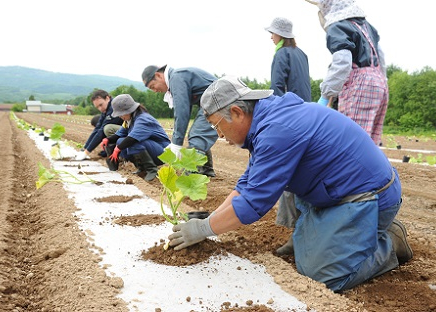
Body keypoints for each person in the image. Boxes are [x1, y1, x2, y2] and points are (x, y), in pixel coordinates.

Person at [168, 76, 413, 293]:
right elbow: (246, 185)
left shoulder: (277, 130)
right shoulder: (267, 120)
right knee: (304, 250)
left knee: (323, 275)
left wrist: (202, 229)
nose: (218, 135)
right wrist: (210, 218)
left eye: (216, 125)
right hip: (337, 192)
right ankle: (320, 239)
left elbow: (254, 203)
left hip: (370, 197)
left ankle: (390, 242)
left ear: (236, 112)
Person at [305, 0, 388, 145]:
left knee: (352, 142)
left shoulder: (339, 26)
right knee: (370, 143)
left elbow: (342, 62)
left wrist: (325, 95)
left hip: (360, 85)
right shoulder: (366, 26)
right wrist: (382, 81)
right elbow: (381, 56)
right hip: (379, 82)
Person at [265, 16, 312, 256]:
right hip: (308, 115)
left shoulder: (281, 54)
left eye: (272, 33)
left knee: (289, 176)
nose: (270, 36)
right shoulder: (301, 54)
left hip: (291, 119)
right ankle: (308, 231)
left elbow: (276, 90)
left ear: (280, 35)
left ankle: (297, 235)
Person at [141, 65, 219, 177]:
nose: (155, 91)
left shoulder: (176, 78)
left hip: (218, 100)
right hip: (214, 101)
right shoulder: (178, 77)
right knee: (196, 133)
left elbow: (182, 111)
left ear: (158, 75)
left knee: (197, 135)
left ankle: (189, 175)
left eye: (153, 86)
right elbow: (185, 108)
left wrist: (176, 143)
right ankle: (206, 170)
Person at [101, 94, 170, 181]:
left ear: (128, 110)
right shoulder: (129, 120)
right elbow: (120, 134)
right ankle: (141, 168)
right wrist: (107, 139)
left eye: (121, 114)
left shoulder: (143, 119)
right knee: (120, 141)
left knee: (131, 143)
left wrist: (116, 150)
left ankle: (152, 170)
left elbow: (132, 139)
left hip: (163, 152)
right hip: (151, 148)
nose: (120, 117)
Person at [76, 90, 122, 160]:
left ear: (107, 98)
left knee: (107, 129)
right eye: (97, 107)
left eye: (101, 105)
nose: (100, 109)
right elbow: (97, 128)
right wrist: (84, 148)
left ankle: (120, 151)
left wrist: (86, 152)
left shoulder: (113, 107)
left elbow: (101, 132)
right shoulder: (106, 108)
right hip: (122, 130)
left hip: (131, 131)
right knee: (101, 126)